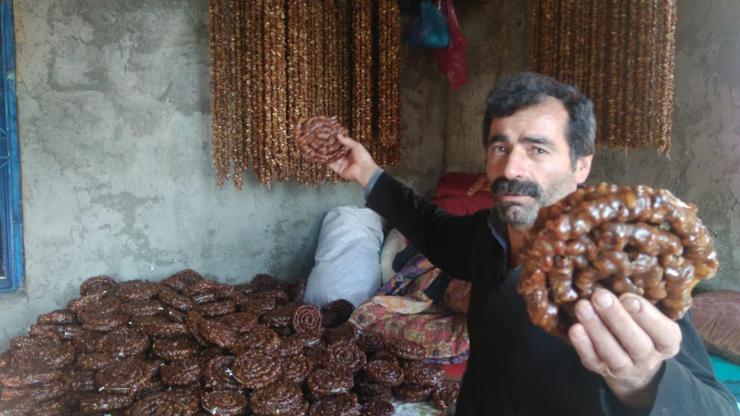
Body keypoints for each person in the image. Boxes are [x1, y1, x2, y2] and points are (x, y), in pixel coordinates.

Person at [328, 72, 738, 415]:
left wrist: (644, 380)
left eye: (537, 148)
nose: (511, 167)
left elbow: (716, 406)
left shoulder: (625, 268)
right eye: (500, 146)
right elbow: (429, 226)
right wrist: (367, 171)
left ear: (581, 164)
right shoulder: (488, 234)